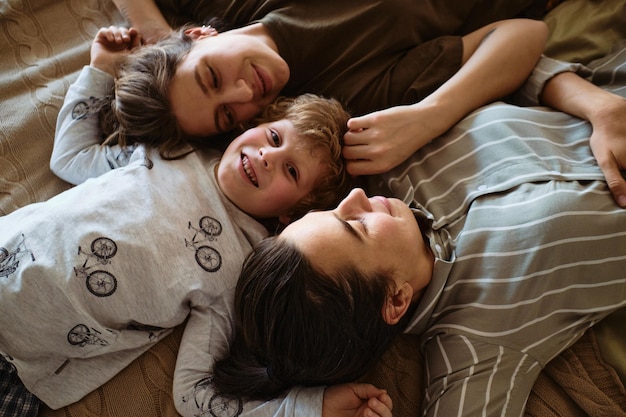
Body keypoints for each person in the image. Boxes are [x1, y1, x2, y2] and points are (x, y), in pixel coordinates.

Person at [211, 44, 626, 416]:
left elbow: (524, 57)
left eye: (329, 210)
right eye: (356, 226)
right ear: (395, 299)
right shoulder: (475, 345)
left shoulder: (386, 154)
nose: (354, 197)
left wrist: (600, 108)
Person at [0, 27, 361, 417]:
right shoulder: (170, 153)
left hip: (19, 362)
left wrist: (310, 408)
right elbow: (71, 158)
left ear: (291, 214)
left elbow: (193, 394)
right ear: (249, 126)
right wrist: (101, 68)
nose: (266, 157)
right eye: (273, 137)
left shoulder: (239, 273)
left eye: (291, 171)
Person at [110, 0, 626, 208]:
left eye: (211, 75)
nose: (245, 93)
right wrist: (429, 116)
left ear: (200, 34)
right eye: (228, 115)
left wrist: (154, 37)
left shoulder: (229, 7)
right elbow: (522, 34)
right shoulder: (343, 98)